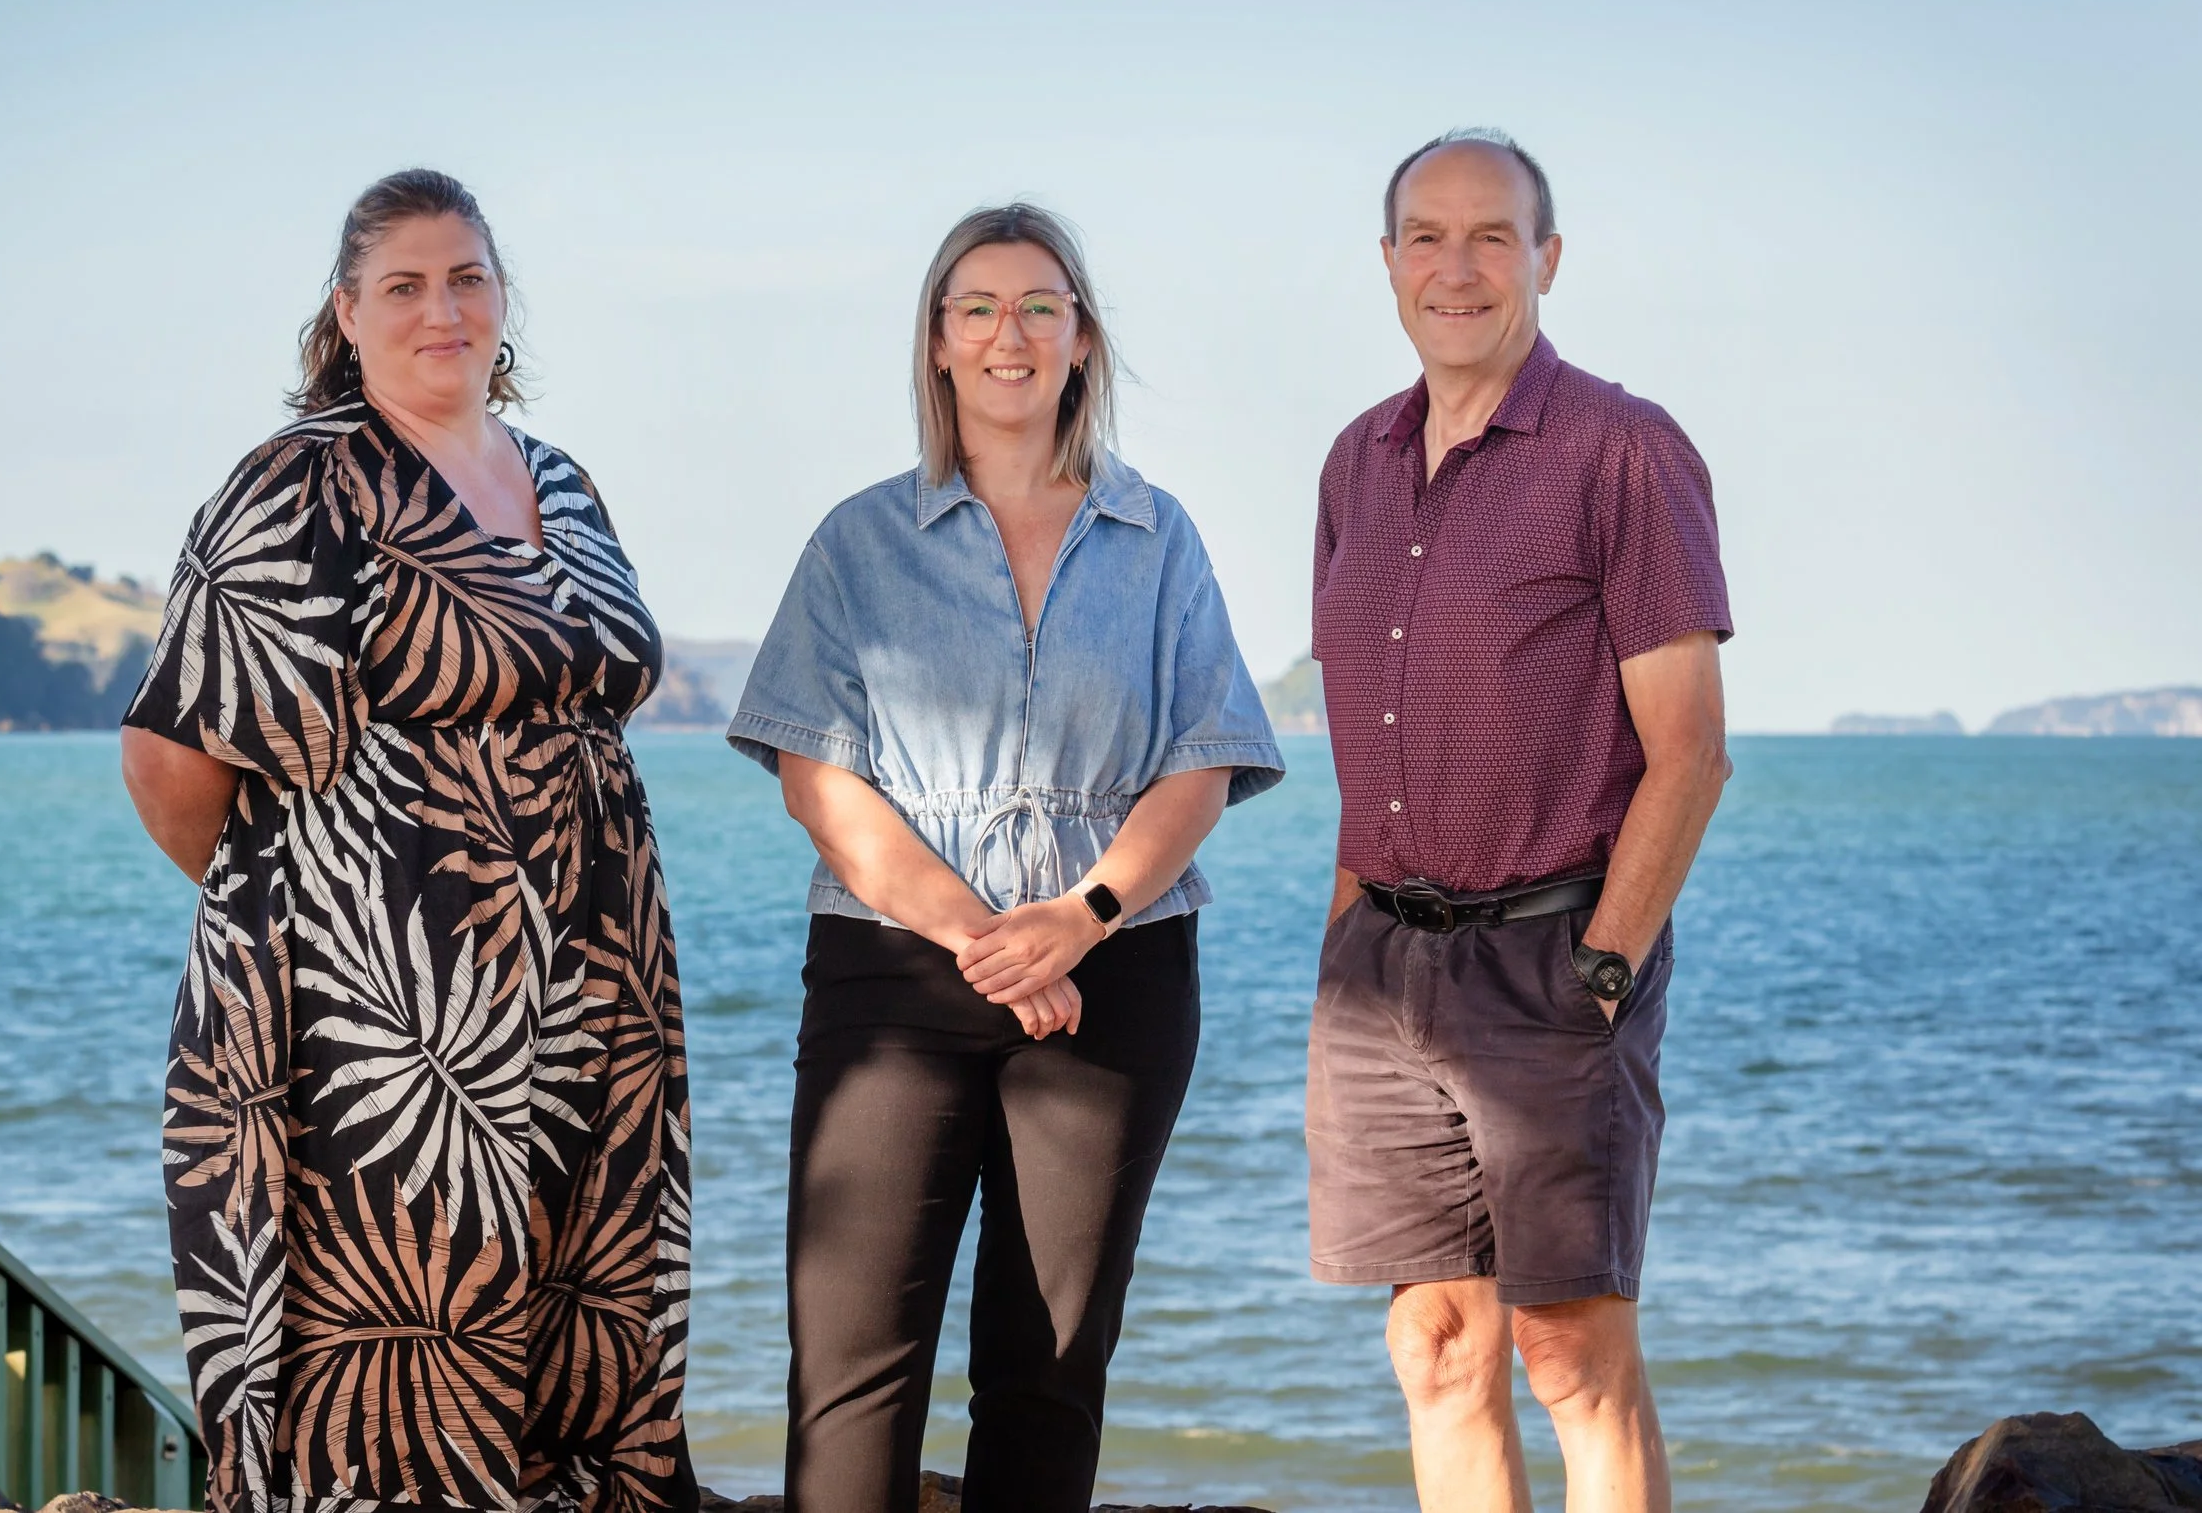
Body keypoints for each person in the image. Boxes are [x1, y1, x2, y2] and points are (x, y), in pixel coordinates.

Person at [118, 169, 695, 1513]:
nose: (443, 308)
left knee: (577, 1283)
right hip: (380, 1014)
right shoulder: (298, 483)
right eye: (404, 285)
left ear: (502, 298)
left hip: (584, 974)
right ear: (346, 312)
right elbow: (165, 756)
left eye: (468, 277)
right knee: (393, 1325)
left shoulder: (562, 476)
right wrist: (319, 921)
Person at [727, 203, 1284, 1513]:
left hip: (1115, 977)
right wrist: (985, 933)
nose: (1009, 334)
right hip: (892, 971)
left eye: (1042, 306)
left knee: (1048, 1370)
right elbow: (821, 779)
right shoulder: (858, 543)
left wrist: (1079, 915)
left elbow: (1200, 761)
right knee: (854, 1362)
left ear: (1083, 339)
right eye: (976, 308)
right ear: (935, 343)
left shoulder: (1161, 539)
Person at [1307, 130, 1732, 1513]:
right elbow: (1366, 747)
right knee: (1435, 1345)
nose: (1459, 266)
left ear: (1547, 260)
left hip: (1555, 957)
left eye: (1494, 236)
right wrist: (1340, 957)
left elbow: (1691, 752)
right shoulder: (1354, 465)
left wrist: (1603, 968)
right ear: (1386, 267)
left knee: (1572, 1350)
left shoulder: (1623, 449)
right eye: (1427, 236)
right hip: (1384, 974)